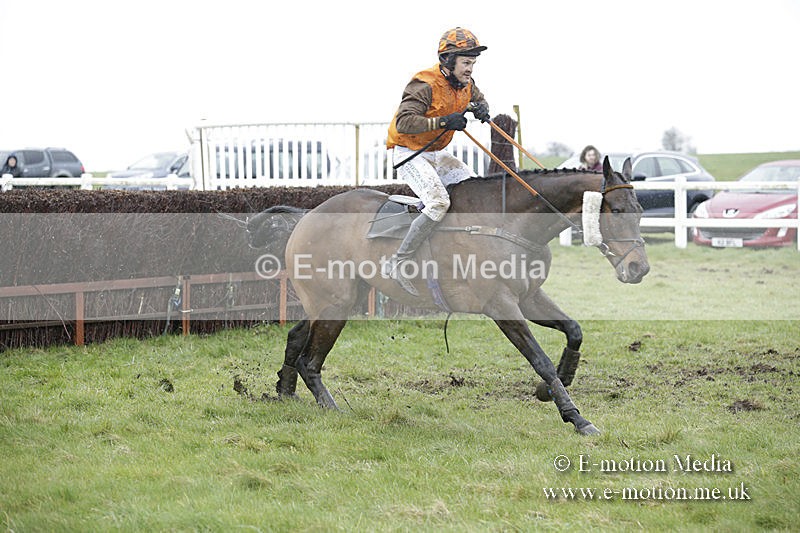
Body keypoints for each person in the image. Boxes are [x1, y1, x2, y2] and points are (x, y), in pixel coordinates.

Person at [384, 27, 491, 295]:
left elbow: (477, 97)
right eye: (466, 63)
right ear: (448, 60)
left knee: (473, 191)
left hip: (435, 153)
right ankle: (399, 261)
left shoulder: (465, 82)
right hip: (408, 151)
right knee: (439, 202)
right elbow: (405, 122)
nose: (470, 69)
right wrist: (445, 121)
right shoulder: (424, 83)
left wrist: (482, 107)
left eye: (472, 63)